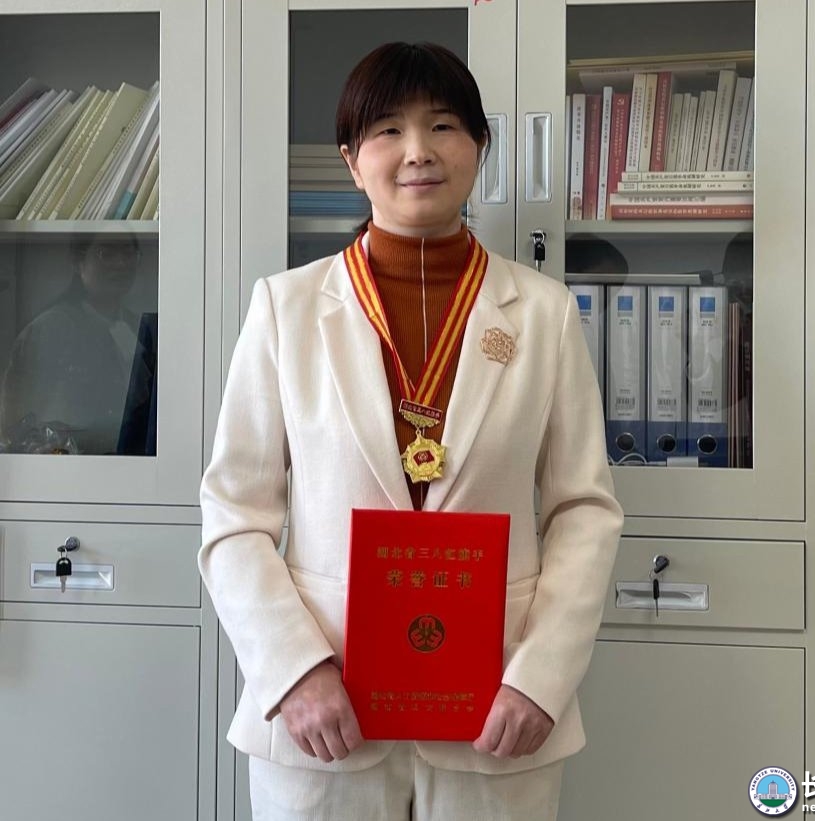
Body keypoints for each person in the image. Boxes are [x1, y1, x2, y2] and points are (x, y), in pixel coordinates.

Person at [198, 42, 623, 821]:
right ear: (352, 160)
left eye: (443, 125)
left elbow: (583, 510)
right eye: (388, 129)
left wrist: (542, 677)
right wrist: (293, 670)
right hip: (327, 714)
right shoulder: (286, 309)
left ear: (480, 147)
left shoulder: (545, 313)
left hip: (496, 708)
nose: (418, 151)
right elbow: (234, 515)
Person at [0, 233, 146, 454]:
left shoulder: (137, 327)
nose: (120, 264)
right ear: (78, 261)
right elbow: (13, 418)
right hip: (64, 461)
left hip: (133, 460)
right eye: (106, 254)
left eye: (129, 254)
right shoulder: (48, 329)